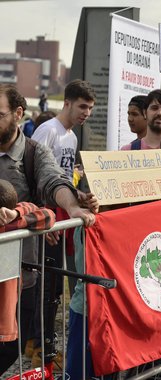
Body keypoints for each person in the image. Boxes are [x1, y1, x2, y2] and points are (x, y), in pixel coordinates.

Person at [0, 84, 97, 373]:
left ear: (18, 114)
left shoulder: (33, 153)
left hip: (20, 274)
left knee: (8, 347)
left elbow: (54, 182)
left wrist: (73, 208)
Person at [0, 180, 56, 376]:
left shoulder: (9, 225)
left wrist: (15, 214)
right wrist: (16, 215)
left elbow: (48, 215)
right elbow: (47, 215)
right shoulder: (11, 226)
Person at [32, 79, 96, 180]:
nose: (87, 113)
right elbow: (31, 170)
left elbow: (66, 178)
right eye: (82, 107)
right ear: (67, 104)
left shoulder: (73, 138)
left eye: (90, 108)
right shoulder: (48, 130)